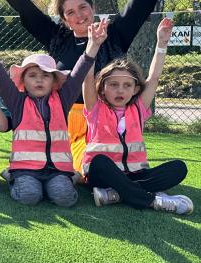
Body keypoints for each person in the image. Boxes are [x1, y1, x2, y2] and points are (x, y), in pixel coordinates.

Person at [0, 0, 176, 173]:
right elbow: (28, 11)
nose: (79, 15)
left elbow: (139, 3)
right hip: (65, 121)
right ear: (65, 19)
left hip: (106, 119)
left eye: (83, 8)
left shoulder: (114, 33)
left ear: (92, 8)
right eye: (70, 12)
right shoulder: (58, 38)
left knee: (115, 165)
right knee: (83, 168)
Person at [0, 22, 107, 207]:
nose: (39, 79)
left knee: (65, 199)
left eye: (45, 75)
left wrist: (93, 46)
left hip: (58, 169)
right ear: (23, 81)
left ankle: (69, 177)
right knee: (29, 197)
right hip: (26, 169)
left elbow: (78, 74)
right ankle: (13, 175)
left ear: (54, 81)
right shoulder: (17, 102)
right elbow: (2, 80)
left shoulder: (62, 100)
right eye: (32, 75)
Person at [82, 18, 192, 215]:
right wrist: (93, 45)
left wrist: (161, 44)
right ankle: (151, 201)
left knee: (178, 168)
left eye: (127, 85)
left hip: (136, 174)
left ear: (135, 90)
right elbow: (87, 78)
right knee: (98, 161)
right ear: (103, 88)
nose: (120, 90)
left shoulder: (138, 109)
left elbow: (154, 77)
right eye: (113, 84)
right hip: (103, 175)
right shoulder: (95, 108)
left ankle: (116, 194)